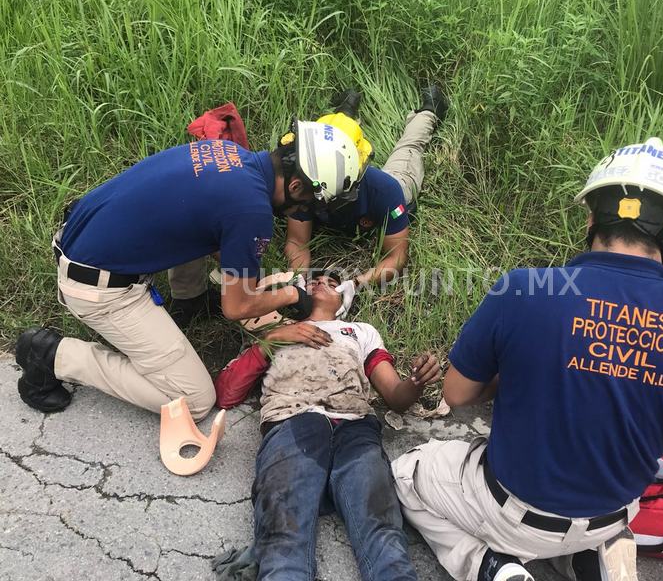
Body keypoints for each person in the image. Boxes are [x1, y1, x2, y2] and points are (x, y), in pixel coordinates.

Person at [391, 138, 663, 581]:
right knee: (596, 528)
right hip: (612, 516)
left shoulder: (523, 289)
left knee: (408, 472)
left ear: (592, 218)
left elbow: (458, 393)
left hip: (513, 513)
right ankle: (590, 558)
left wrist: (521, 371)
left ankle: (490, 567)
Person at [14, 123, 361, 419]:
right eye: (309, 204)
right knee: (195, 400)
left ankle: (190, 300)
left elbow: (211, 233)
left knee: (201, 226)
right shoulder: (250, 211)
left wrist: (252, 275)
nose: (305, 213)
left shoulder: (226, 152)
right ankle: (52, 355)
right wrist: (291, 295)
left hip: (82, 240)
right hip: (98, 288)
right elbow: (236, 308)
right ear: (297, 186)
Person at [212, 270, 440, 580]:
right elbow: (226, 393)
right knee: (283, 536)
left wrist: (415, 382)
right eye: (313, 280)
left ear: (343, 300)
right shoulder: (275, 326)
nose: (321, 283)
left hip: (355, 428)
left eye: (332, 283)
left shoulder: (360, 332)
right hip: (293, 423)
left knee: (384, 536)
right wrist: (273, 340)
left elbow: (396, 396)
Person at [284, 86, 449, 316]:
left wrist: (357, 283)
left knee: (409, 147)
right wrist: (298, 280)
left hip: (392, 183)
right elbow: (296, 240)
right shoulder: (309, 179)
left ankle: (428, 111)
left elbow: (397, 255)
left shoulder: (386, 191)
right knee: (335, 134)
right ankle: (346, 108)